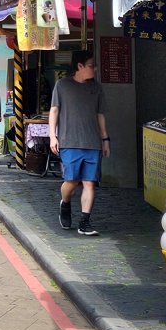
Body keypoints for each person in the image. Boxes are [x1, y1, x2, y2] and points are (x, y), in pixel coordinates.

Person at [51, 49, 108, 236]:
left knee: (90, 183)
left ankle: (85, 222)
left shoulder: (96, 88)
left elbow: (100, 115)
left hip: (93, 143)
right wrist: (53, 136)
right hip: (70, 141)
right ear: (80, 66)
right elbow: (54, 111)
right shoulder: (62, 85)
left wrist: (105, 139)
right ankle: (65, 203)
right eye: (91, 65)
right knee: (72, 181)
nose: (95, 69)